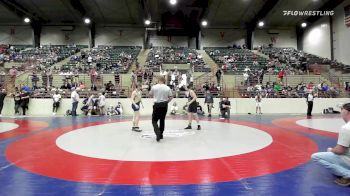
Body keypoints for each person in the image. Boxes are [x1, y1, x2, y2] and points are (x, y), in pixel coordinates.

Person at [311, 103, 350, 186]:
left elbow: (340, 150)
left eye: (341, 109)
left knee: (315, 157)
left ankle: (347, 174)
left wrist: (331, 150)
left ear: (346, 112)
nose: (340, 112)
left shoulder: (346, 128)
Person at [149, 76, 173, 142]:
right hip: (164, 105)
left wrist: (154, 96)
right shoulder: (167, 88)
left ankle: (157, 133)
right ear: (164, 80)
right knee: (162, 120)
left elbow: (150, 94)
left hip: (157, 104)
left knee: (154, 120)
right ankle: (161, 134)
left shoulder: (154, 87)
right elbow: (171, 97)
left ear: (158, 80)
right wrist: (166, 102)